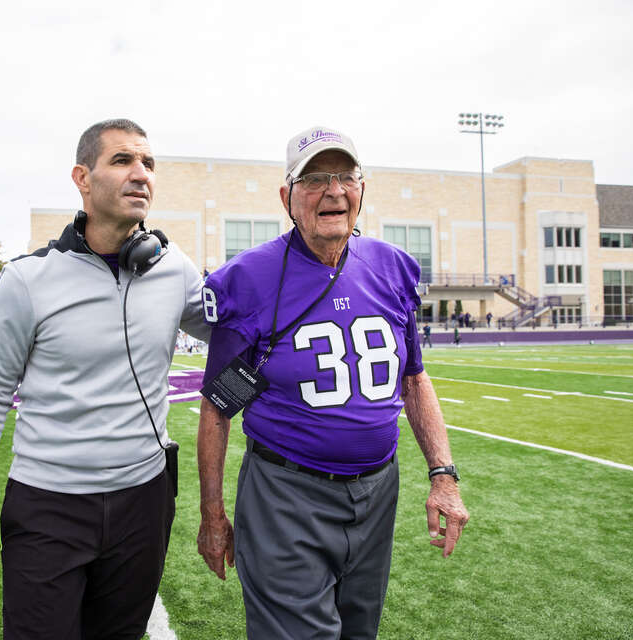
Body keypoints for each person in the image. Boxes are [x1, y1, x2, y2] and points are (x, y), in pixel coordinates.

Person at [196, 126, 469, 640]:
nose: (334, 190)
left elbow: (413, 379)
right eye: (315, 178)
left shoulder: (392, 268)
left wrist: (443, 475)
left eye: (346, 176)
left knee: (357, 632)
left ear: (362, 190)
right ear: (287, 196)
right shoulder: (248, 279)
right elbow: (217, 407)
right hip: (285, 494)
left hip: (376, 491)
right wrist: (213, 513)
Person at [0, 118, 210, 640]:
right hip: (49, 505)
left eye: (148, 163)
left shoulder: (175, 269)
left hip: (145, 499)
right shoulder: (28, 280)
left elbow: (235, 330)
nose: (141, 174)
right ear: (82, 178)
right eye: (122, 161)